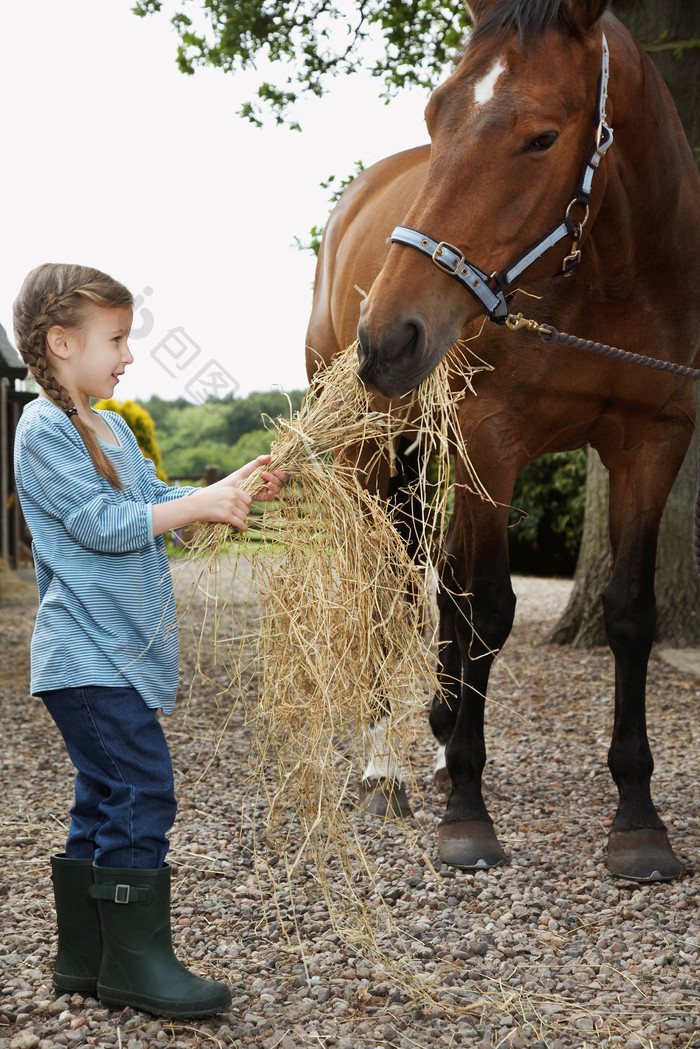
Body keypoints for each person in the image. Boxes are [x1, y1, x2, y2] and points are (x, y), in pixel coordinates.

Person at [12, 262, 286, 1019]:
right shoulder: (42, 429)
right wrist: (196, 503)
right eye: (117, 339)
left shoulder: (108, 425)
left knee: (105, 794)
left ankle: (87, 955)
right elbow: (102, 527)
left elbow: (155, 499)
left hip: (114, 653)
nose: (129, 355)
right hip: (85, 654)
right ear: (61, 343)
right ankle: (137, 961)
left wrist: (227, 486)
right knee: (142, 787)